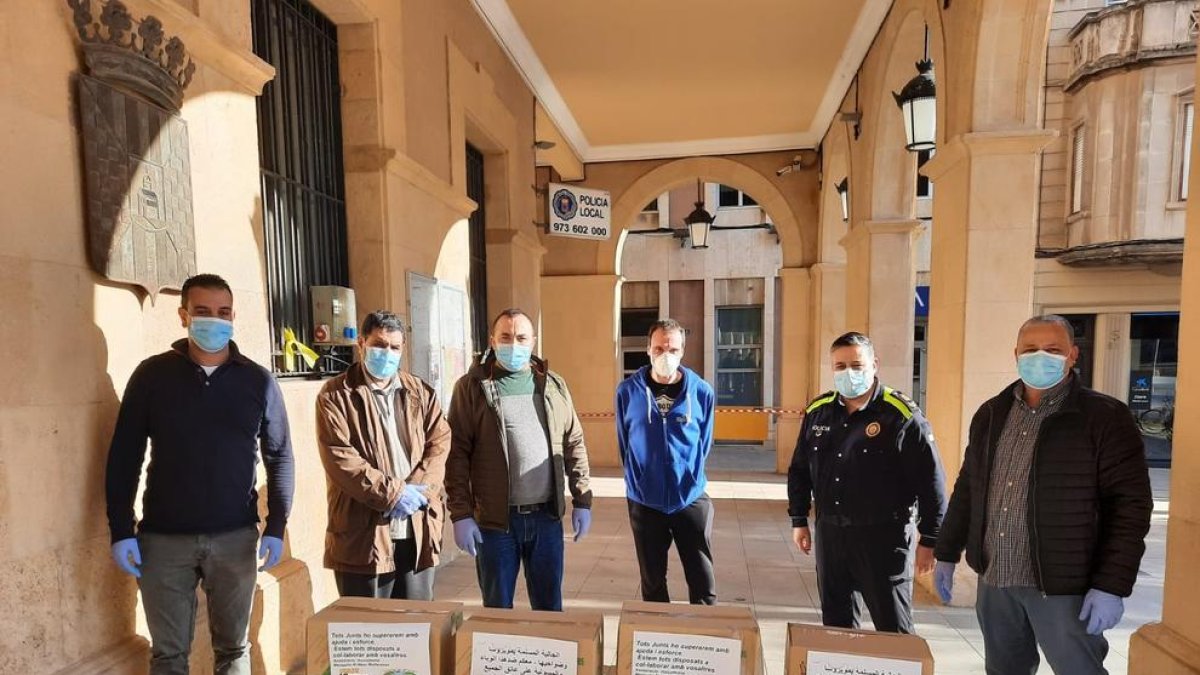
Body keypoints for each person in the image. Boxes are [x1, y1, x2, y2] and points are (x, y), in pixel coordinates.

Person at [934, 315, 1152, 674]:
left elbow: (1131, 507)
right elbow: (969, 486)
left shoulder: (1104, 417)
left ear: (1073, 355)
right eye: (1031, 349)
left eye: (1052, 350)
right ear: (1016, 354)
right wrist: (946, 550)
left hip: (1064, 587)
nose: (1040, 357)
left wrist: (1111, 585)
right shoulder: (992, 413)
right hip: (997, 581)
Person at [105, 273, 294, 674]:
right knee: (168, 655)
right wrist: (121, 529)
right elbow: (124, 456)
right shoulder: (152, 376)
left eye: (223, 312)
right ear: (184, 316)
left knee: (234, 650)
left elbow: (279, 456)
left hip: (235, 538)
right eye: (203, 311)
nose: (214, 320)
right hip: (163, 541)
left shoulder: (257, 380)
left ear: (233, 316)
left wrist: (276, 525)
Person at [788, 331, 947, 633]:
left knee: (893, 631)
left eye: (856, 365)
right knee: (837, 628)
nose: (848, 372)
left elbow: (931, 480)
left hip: (883, 538)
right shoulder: (818, 411)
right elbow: (799, 469)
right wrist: (799, 519)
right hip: (831, 535)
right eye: (840, 366)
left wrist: (930, 539)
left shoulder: (901, 415)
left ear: (874, 365)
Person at [446, 308, 593, 610]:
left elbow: (573, 442)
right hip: (496, 524)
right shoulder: (471, 387)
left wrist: (582, 500)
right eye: (506, 337)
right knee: (497, 611)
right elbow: (456, 454)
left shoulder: (553, 385)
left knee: (549, 609)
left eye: (521, 338)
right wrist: (461, 513)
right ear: (492, 340)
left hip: (546, 518)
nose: (514, 344)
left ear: (533, 340)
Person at [316, 310, 451, 600]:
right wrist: (394, 494)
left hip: (416, 529)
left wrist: (419, 490)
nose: (386, 353)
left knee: (416, 621)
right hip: (364, 537)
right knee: (369, 624)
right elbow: (341, 458)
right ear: (361, 343)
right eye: (379, 344)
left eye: (394, 347)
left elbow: (439, 442)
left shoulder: (420, 392)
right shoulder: (335, 395)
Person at [615, 318, 718, 605]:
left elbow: (704, 442)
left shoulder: (702, 392)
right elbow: (624, 443)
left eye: (672, 349)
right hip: (646, 502)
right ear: (648, 349)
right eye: (659, 348)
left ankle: (704, 631)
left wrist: (688, 474)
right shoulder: (627, 391)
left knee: (703, 583)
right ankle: (658, 633)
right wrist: (639, 479)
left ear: (682, 351)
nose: (665, 355)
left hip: (689, 498)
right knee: (652, 583)